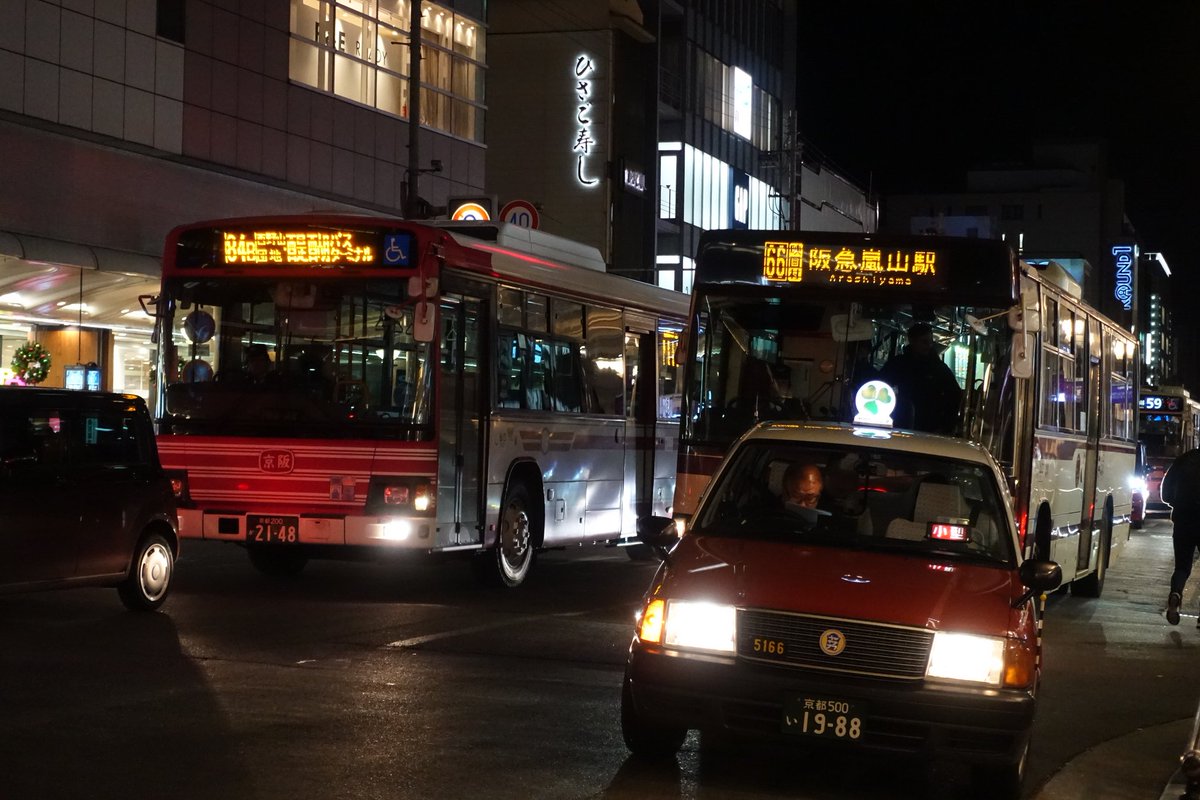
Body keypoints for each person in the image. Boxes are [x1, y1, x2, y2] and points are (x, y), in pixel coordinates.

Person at [879, 322, 962, 434]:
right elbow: (880, 385)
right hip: (900, 423)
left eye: (930, 342)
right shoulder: (898, 364)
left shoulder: (938, 368)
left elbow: (954, 396)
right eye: (924, 342)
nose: (929, 346)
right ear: (912, 341)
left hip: (930, 427)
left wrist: (946, 425)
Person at [1160, 447, 1200, 625]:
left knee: (1182, 567)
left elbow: (1165, 493)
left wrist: (1178, 503)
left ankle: (1175, 593)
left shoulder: (1184, 460)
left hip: (1183, 520)